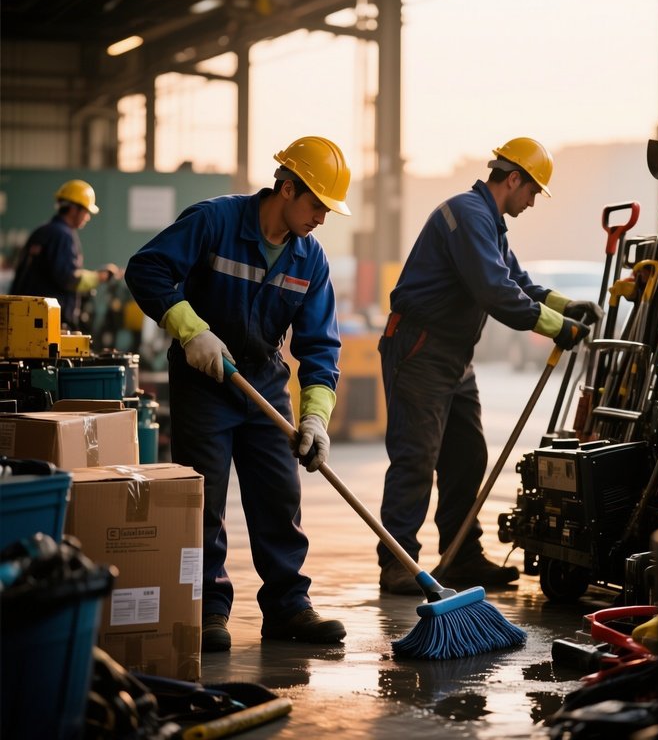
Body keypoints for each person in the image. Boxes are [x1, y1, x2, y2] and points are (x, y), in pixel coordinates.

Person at [125, 136, 352, 651]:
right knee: (204, 501)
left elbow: (320, 347)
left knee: (279, 495)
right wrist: (189, 329)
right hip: (205, 377)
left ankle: (289, 607)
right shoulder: (215, 221)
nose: (321, 217)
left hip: (264, 380)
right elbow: (147, 269)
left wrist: (316, 418)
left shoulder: (310, 260)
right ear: (287, 188)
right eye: (316, 204)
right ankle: (208, 610)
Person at [377, 137, 603, 595]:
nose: (534, 201)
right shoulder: (467, 215)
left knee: (468, 455)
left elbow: (515, 280)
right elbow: (497, 293)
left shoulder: (488, 223)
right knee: (416, 457)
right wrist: (558, 328)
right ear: (513, 178)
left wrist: (565, 306)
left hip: (453, 354)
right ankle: (398, 562)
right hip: (421, 347)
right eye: (533, 190)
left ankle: (461, 557)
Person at [11, 179, 119, 330]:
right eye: (86, 211)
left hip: (25, 318)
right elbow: (69, 278)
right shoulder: (62, 235)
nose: (87, 217)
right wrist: (100, 277)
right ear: (74, 209)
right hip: (49, 322)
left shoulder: (43, 231)